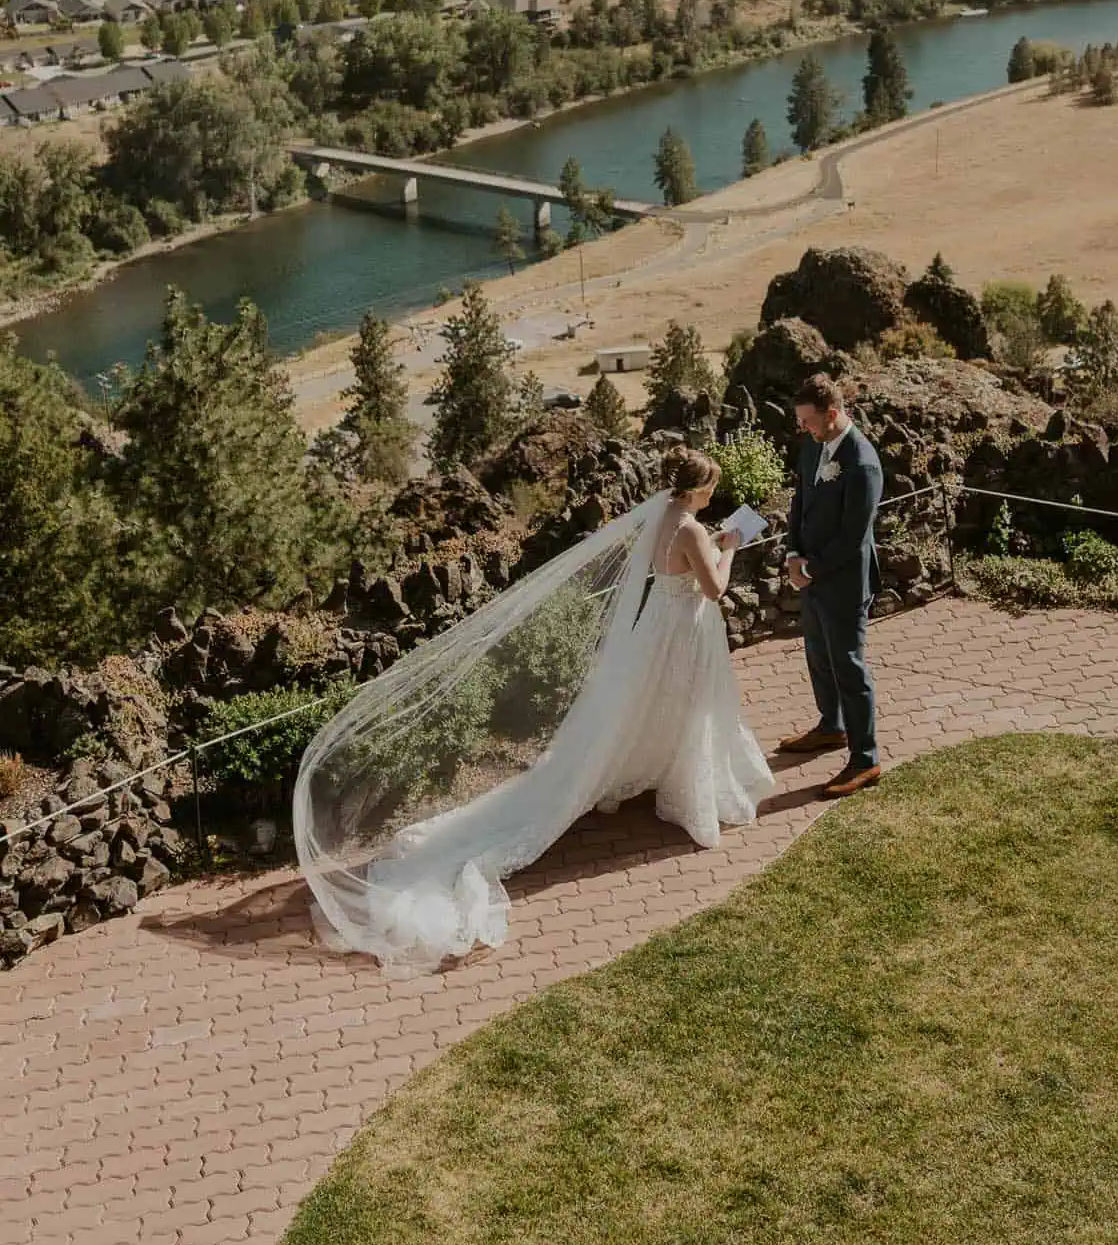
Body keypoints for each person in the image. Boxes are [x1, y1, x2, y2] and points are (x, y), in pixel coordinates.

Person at [295, 450, 775, 968]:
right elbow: (714, 588)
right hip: (682, 631)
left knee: (650, 705)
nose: (711, 496)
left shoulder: (661, 517)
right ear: (697, 489)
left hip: (654, 627)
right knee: (690, 707)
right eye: (709, 489)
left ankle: (648, 770)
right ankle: (687, 787)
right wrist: (731, 546)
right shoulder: (692, 532)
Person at [779, 372, 884, 798]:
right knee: (818, 656)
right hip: (811, 574)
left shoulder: (863, 463)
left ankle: (866, 759)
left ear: (834, 414)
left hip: (843, 581)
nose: (802, 427)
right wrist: (791, 555)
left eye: (808, 420)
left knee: (848, 666)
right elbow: (799, 502)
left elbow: (853, 536)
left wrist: (813, 568)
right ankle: (831, 726)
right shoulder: (813, 446)